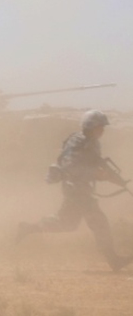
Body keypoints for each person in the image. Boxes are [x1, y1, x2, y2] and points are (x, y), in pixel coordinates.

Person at [17, 110, 130, 270]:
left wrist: (119, 181)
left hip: (81, 189)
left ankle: (29, 228)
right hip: (76, 189)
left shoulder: (92, 142)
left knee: (67, 223)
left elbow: (98, 164)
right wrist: (94, 174)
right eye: (100, 127)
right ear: (90, 126)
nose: (103, 130)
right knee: (100, 223)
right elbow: (70, 166)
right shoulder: (77, 142)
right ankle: (113, 260)